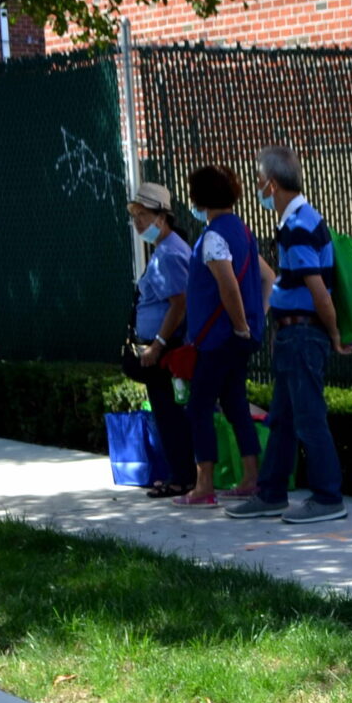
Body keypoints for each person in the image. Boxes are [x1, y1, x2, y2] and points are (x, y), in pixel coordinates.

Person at [225, 145, 347, 525]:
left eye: (259, 180)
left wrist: (334, 333)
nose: (258, 188)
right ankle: (271, 493)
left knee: (308, 418)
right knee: (282, 419)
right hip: (295, 335)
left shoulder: (297, 227)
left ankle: (328, 497)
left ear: (272, 184)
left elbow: (318, 291)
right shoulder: (300, 221)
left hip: (302, 336)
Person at [172, 164, 261, 509]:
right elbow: (266, 278)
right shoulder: (244, 231)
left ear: (200, 198)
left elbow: (228, 285)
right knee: (236, 404)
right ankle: (251, 477)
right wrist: (252, 322)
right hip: (238, 337)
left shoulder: (212, 238)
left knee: (199, 408)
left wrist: (238, 325)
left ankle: (204, 485)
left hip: (218, 339)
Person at [123, 181, 194, 500]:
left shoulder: (169, 253)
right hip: (164, 347)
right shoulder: (166, 249)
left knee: (170, 415)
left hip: (166, 350)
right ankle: (179, 474)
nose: (138, 221)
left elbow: (179, 304)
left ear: (162, 217)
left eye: (143, 214)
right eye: (135, 215)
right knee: (167, 413)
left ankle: (182, 478)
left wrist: (158, 344)